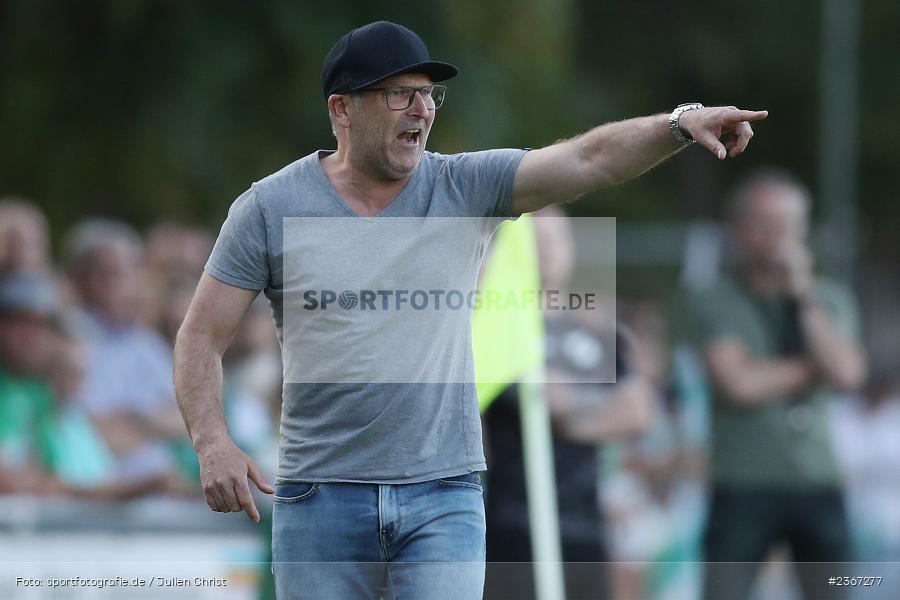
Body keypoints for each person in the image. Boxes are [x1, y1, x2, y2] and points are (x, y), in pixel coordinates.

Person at [173, 20, 766, 600]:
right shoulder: (269, 206)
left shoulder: (463, 187)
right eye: (400, 94)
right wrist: (212, 441)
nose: (422, 110)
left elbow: (589, 160)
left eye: (429, 96)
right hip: (320, 498)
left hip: (444, 497)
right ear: (342, 109)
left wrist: (679, 124)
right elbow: (200, 336)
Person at [679, 169, 866, 600]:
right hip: (742, 480)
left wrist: (802, 293)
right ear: (738, 228)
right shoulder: (714, 298)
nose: (778, 235)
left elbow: (848, 376)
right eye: (765, 222)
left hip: (820, 480)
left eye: (789, 223)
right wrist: (815, 366)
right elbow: (738, 385)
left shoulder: (828, 297)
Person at [482, 207, 656, 600]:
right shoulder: (498, 330)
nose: (547, 252)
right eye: (535, 242)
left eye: (556, 241)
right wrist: (596, 405)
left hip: (585, 525)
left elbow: (638, 411)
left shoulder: (596, 333)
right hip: (515, 525)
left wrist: (571, 422)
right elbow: (548, 400)